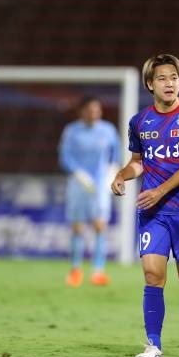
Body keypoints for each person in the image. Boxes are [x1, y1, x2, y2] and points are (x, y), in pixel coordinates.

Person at [111, 54, 179, 357]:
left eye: (174, 78)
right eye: (163, 78)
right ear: (150, 84)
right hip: (154, 214)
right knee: (153, 275)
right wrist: (120, 175)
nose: (170, 83)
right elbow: (138, 163)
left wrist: (159, 191)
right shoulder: (139, 122)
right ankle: (153, 344)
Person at [59, 96, 120, 287]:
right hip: (78, 184)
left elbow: (116, 152)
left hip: (101, 184)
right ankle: (76, 269)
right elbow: (65, 156)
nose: (95, 113)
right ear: (82, 112)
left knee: (100, 225)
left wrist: (112, 170)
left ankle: (98, 271)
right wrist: (78, 173)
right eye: (91, 110)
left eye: (97, 110)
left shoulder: (108, 130)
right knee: (78, 227)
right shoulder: (72, 131)